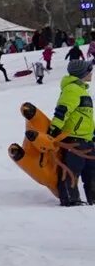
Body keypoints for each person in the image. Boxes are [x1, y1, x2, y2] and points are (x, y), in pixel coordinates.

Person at [47, 58, 94, 207]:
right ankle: (70, 200)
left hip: (86, 138)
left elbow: (85, 116)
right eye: (89, 70)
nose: (91, 72)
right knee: (72, 170)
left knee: (91, 171)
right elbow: (63, 110)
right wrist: (54, 129)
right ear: (82, 73)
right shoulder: (71, 89)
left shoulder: (82, 90)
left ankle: (92, 199)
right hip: (73, 139)